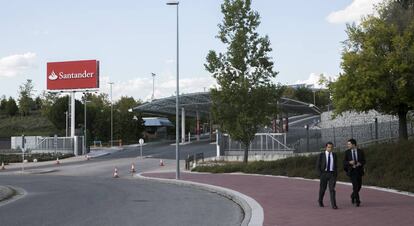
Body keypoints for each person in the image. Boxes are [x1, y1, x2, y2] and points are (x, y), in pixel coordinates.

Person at [343, 138, 366, 207]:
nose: (348, 145)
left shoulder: (360, 151)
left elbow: (364, 161)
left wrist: (360, 163)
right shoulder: (347, 152)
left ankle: (353, 195)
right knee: (355, 186)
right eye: (348, 144)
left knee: (359, 186)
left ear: (353, 144)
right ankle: (357, 200)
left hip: (359, 171)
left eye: (349, 144)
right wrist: (349, 162)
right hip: (352, 171)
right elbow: (344, 162)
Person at [316, 142, 338, 209]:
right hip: (324, 174)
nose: (330, 148)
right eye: (328, 147)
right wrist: (320, 174)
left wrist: (335, 174)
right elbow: (317, 165)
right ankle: (320, 200)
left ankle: (333, 205)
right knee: (323, 189)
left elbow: (336, 165)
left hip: (332, 174)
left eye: (331, 147)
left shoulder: (334, 155)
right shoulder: (321, 155)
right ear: (326, 147)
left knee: (332, 189)